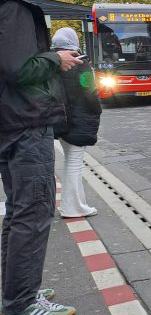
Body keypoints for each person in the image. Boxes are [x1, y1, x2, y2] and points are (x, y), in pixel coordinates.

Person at [0, 0, 82, 315]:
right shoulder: (13, 9)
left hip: (10, 122)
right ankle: (21, 303)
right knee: (34, 211)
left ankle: (15, 292)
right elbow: (18, 70)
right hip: (25, 124)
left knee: (18, 212)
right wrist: (56, 59)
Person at [52, 27, 102, 218]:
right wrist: (97, 109)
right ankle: (72, 207)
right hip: (79, 121)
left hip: (61, 121)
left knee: (69, 163)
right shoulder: (81, 64)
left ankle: (76, 204)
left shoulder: (53, 64)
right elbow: (90, 93)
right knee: (74, 165)